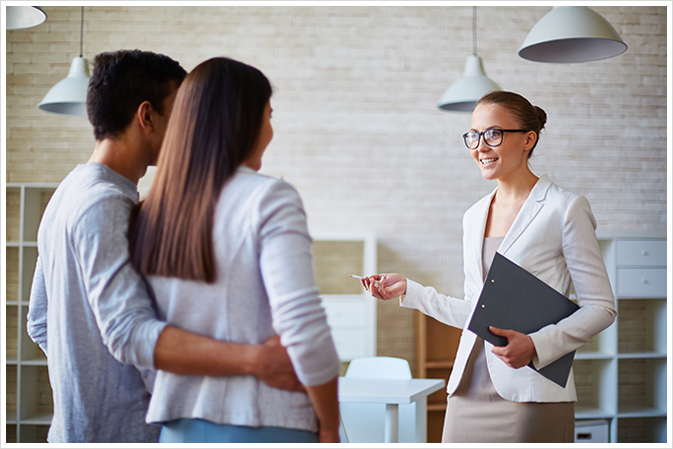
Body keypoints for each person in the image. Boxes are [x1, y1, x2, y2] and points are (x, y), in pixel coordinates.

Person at [27, 50, 302, 443]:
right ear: (147, 116)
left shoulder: (69, 191)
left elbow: (40, 321)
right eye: (182, 114)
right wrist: (256, 361)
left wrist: (86, 385)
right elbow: (127, 330)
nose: (192, 129)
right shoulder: (106, 204)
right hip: (124, 435)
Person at [360, 91, 617, 443]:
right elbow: (475, 310)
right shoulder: (474, 215)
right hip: (468, 386)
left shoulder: (565, 208)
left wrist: (537, 345)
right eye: (473, 135)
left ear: (529, 139)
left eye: (493, 134)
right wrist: (409, 290)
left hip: (530, 388)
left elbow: (601, 307)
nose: (480, 146)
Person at [127, 56, 341, 444]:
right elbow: (303, 327)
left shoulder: (148, 211)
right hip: (266, 422)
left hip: (176, 429)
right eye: (269, 115)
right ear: (242, 119)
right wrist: (328, 424)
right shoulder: (268, 197)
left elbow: (139, 336)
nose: (271, 130)